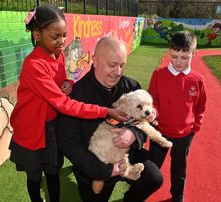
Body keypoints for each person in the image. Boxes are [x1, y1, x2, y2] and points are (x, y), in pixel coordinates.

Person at [9, 5, 127, 202]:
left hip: (52, 125)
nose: (62, 41)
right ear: (37, 35)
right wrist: (105, 111)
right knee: (35, 175)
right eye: (55, 37)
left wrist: (68, 82)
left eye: (64, 35)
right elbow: (64, 104)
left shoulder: (59, 54)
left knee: (53, 170)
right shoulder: (33, 65)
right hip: (32, 129)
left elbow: (62, 78)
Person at [57, 36, 163, 202]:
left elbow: (143, 121)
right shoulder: (75, 95)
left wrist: (134, 134)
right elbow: (68, 143)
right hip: (94, 165)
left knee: (153, 179)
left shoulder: (132, 87)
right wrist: (105, 170)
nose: (118, 72)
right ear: (96, 60)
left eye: (122, 65)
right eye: (112, 65)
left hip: (128, 155)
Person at [148, 30, 207, 202]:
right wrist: (154, 112)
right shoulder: (158, 74)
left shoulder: (198, 80)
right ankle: (139, 192)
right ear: (169, 51)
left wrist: (195, 127)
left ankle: (177, 196)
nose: (178, 62)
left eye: (184, 57)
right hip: (160, 132)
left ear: (194, 53)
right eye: (174, 56)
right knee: (152, 167)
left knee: (179, 168)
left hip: (184, 134)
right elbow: (153, 100)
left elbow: (201, 106)